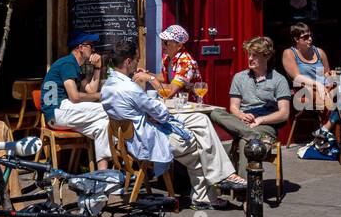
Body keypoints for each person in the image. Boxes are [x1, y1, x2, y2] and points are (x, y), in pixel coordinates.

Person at [101, 41, 245, 203]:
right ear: (128, 62)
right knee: (199, 144)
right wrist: (152, 112)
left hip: (129, 140)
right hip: (146, 140)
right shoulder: (129, 88)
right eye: (136, 60)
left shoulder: (108, 86)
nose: (137, 64)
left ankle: (216, 184)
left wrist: (149, 113)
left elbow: (152, 112)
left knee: (201, 119)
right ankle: (214, 187)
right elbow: (161, 113)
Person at [210, 37, 291, 174]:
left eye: (255, 55)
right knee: (214, 112)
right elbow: (234, 107)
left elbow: (284, 114)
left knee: (245, 142)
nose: (250, 58)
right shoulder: (239, 77)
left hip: (265, 123)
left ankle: (243, 187)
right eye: (249, 54)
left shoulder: (279, 79)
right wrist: (242, 115)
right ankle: (251, 135)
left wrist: (260, 120)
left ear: (266, 56)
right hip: (242, 121)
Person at [42, 32, 111, 169]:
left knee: (103, 125)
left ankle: (104, 175)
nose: (93, 50)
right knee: (108, 108)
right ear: (81, 47)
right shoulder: (68, 63)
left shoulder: (76, 67)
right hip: (58, 111)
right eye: (91, 46)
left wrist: (97, 68)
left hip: (64, 114)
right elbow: (74, 97)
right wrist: (100, 96)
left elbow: (90, 89)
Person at [282, 22, 334, 138]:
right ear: (296, 39)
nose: (309, 39)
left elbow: (327, 74)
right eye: (305, 37)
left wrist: (329, 85)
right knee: (328, 100)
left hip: (324, 89)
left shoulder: (319, 52)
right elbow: (297, 77)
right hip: (302, 92)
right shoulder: (289, 53)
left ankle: (340, 136)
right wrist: (318, 85)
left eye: (310, 36)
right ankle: (326, 137)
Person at [147, 24, 203, 100]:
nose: (162, 45)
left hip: (188, 106)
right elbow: (165, 77)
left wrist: (149, 78)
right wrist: (147, 74)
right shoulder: (167, 57)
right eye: (162, 41)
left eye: (166, 43)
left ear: (179, 45)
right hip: (175, 103)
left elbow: (169, 92)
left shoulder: (186, 62)